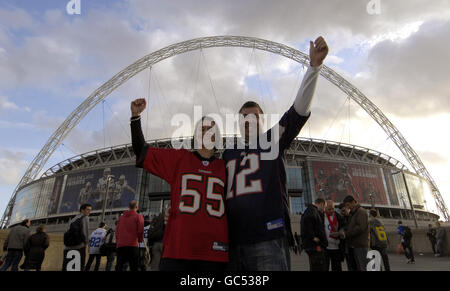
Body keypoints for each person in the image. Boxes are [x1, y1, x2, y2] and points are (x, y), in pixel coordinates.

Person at [223, 37, 329, 271]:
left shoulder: (272, 141)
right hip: (231, 240)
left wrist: (314, 68)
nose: (249, 121)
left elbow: (298, 111)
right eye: (244, 117)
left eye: (254, 116)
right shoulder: (227, 153)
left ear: (262, 121)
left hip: (267, 238)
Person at [131, 98, 229, 271]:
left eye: (210, 129)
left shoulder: (225, 166)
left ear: (216, 136)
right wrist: (135, 117)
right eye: (202, 129)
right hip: (178, 250)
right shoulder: (179, 159)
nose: (206, 132)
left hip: (215, 251)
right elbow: (141, 150)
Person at [340, 195, 369, 271]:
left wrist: (347, 233)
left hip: (361, 245)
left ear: (353, 202)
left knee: (363, 267)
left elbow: (360, 227)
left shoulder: (361, 212)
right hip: (355, 245)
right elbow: (350, 226)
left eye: (348, 205)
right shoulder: (353, 213)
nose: (347, 207)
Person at [115, 200, 144, 271]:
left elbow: (117, 231)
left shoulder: (121, 217)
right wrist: (140, 239)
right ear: (136, 207)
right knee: (134, 266)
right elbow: (140, 230)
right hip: (132, 245)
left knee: (119, 266)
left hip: (120, 245)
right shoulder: (138, 216)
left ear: (128, 207)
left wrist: (118, 241)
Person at [300, 198, 328, 271]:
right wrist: (313, 237)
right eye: (324, 207)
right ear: (321, 204)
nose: (324, 209)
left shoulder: (311, 210)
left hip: (312, 245)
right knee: (318, 266)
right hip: (314, 246)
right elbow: (308, 223)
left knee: (316, 265)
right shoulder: (312, 211)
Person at [323, 200, 345, 271]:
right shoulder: (321, 217)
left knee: (337, 267)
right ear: (325, 208)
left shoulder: (339, 217)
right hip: (325, 247)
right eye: (329, 209)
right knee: (324, 267)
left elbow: (344, 227)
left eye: (333, 208)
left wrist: (341, 232)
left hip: (336, 247)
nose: (332, 210)